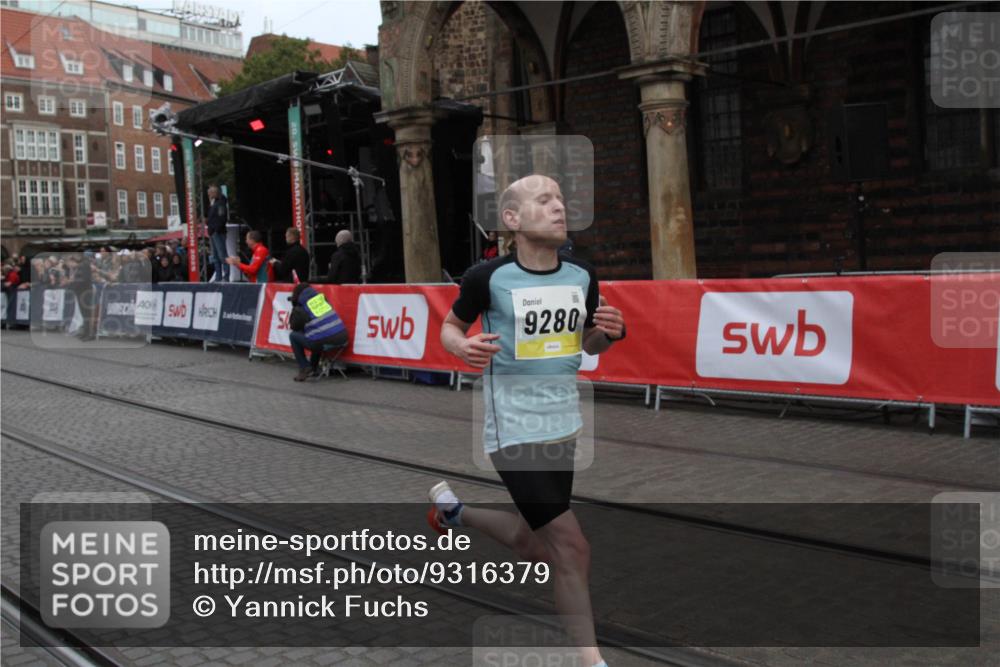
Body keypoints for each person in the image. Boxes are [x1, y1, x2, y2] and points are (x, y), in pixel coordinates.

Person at [432, 174, 625, 667]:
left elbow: (586, 344)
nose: (559, 207)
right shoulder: (486, 278)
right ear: (513, 219)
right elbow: (450, 328)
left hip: (563, 426)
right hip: (512, 430)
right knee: (570, 545)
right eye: (545, 200)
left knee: (530, 538)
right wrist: (462, 346)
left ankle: (455, 515)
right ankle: (591, 660)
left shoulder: (583, 275)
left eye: (561, 198)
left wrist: (609, 334)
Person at [287, 282, 348, 382]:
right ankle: (313, 368)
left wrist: (295, 306)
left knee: (294, 336)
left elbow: (294, 326)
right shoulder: (322, 299)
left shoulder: (301, 307)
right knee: (316, 334)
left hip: (325, 340)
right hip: (343, 337)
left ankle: (304, 367)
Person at [204, 184, 229, 282]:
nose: (208, 195)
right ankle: (218, 277)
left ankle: (226, 277)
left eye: (210, 193)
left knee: (222, 255)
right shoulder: (214, 203)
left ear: (214, 193)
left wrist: (215, 229)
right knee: (215, 257)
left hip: (217, 232)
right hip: (213, 232)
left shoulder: (221, 203)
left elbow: (222, 218)